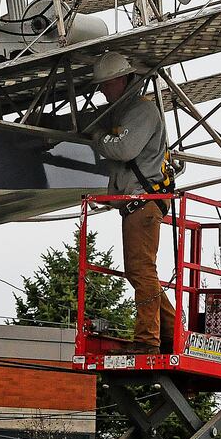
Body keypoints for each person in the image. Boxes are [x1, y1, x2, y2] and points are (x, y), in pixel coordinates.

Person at [86, 51, 176, 355]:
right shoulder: (124, 112)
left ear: (122, 79)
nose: (102, 90)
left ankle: (149, 340)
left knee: (141, 270)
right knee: (140, 271)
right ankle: (173, 334)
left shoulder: (141, 111)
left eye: (106, 84)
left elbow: (123, 148)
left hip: (144, 202)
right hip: (137, 204)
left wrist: (97, 138)